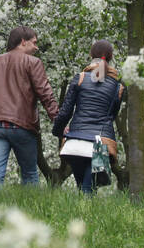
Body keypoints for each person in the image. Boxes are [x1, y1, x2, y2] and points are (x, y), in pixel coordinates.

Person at [0, 26, 60, 186]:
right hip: (22, 125)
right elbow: (45, 93)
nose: (36, 47)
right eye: (34, 43)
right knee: (29, 173)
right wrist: (58, 120)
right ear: (23, 42)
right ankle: (30, 209)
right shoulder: (33, 63)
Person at [51, 40, 126, 195]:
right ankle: (85, 215)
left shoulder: (80, 78)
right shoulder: (118, 87)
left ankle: (81, 215)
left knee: (83, 189)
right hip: (100, 142)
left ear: (91, 55)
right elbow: (111, 115)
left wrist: (58, 131)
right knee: (88, 189)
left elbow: (65, 111)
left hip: (76, 140)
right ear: (111, 57)